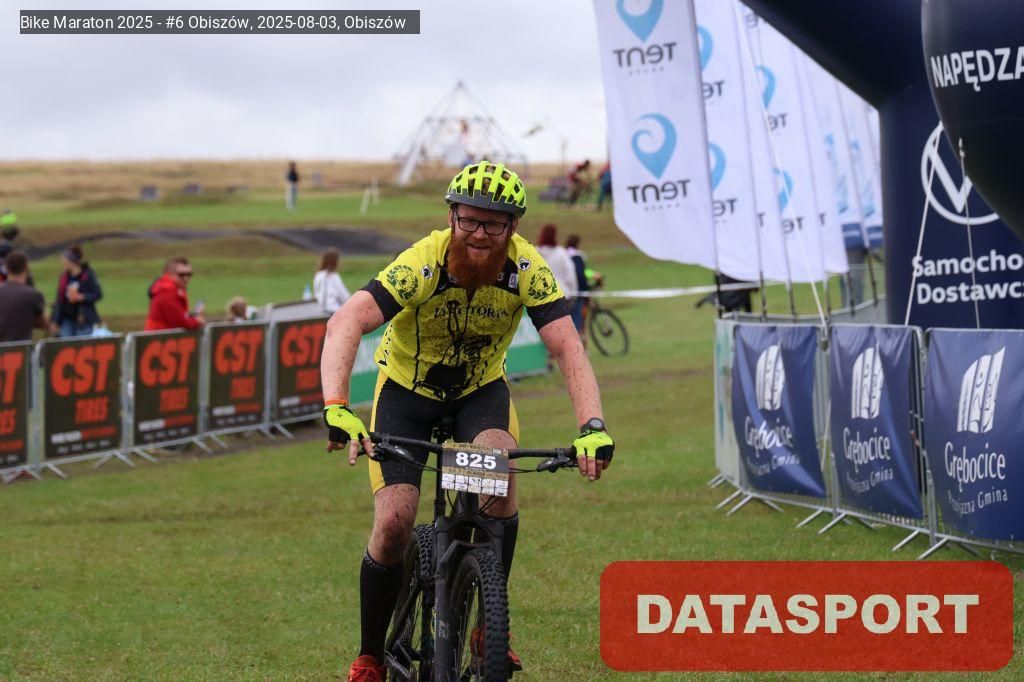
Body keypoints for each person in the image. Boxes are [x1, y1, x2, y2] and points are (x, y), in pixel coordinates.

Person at [320, 160, 614, 681]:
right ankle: (369, 656)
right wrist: (337, 406)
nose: (479, 234)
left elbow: (568, 347)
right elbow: (348, 319)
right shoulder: (423, 263)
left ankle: (488, 625)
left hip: (479, 393)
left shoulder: (526, 269)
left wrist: (592, 426)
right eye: (469, 220)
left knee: (497, 486)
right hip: (406, 394)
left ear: (513, 227)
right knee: (394, 523)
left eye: (493, 224)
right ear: (451, 216)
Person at [50, 245, 103, 338]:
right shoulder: (64, 278)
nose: (62, 262)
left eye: (64, 259)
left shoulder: (88, 275)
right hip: (67, 319)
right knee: (66, 343)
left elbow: (98, 294)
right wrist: (55, 321)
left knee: (82, 344)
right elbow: (59, 301)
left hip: (84, 319)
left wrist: (81, 297)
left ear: (72, 261)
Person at [144, 257, 205, 331]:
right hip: (161, 336)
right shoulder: (167, 292)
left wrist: (192, 316)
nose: (186, 278)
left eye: (189, 274)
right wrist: (197, 321)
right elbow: (179, 323)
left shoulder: (174, 289)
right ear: (169, 274)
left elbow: (177, 317)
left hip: (164, 335)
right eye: (181, 275)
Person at [0, 250, 47, 342]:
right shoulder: (33, 295)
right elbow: (44, 324)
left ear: (7, 268)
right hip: (22, 349)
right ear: (26, 268)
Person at [565, 234, 600, 338]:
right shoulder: (576, 256)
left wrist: (592, 274)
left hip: (564, 291)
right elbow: (581, 273)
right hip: (577, 293)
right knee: (578, 322)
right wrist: (588, 286)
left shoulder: (563, 254)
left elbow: (583, 272)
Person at [535, 223, 578, 304]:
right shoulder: (561, 253)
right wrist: (573, 292)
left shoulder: (534, 252)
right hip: (561, 295)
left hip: (539, 296)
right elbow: (570, 276)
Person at [313, 247, 352, 314]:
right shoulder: (334, 277)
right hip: (334, 310)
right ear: (335, 262)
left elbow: (316, 293)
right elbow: (344, 295)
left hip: (321, 309)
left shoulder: (318, 275)